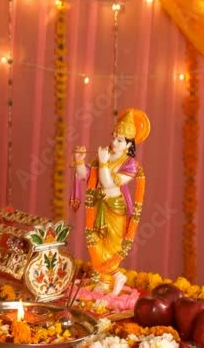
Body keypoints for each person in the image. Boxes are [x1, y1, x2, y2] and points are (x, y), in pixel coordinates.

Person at [69, 108, 150, 295]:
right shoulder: (102, 157)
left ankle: (107, 278)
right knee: (94, 241)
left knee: (111, 246)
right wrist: (80, 162)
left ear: (129, 145)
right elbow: (86, 177)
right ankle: (112, 276)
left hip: (115, 209)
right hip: (97, 206)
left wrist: (104, 162)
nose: (113, 142)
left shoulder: (130, 164)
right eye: (113, 136)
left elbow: (108, 183)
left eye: (119, 140)